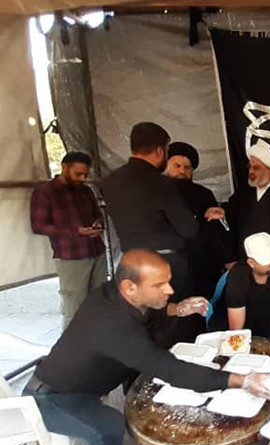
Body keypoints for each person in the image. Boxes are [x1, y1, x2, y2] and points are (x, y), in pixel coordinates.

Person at [23, 250, 270, 445]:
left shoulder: (115, 293)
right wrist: (242, 380)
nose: (170, 290)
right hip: (52, 399)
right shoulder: (112, 325)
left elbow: (149, 311)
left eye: (168, 281)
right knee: (106, 427)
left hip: (83, 387)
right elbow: (171, 370)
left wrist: (178, 308)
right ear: (129, 287)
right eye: (159, 285)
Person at [102, 122, 198, 300]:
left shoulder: (110, 181)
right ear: (160, 151)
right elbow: (188, 229)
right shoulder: (161, 183)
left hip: (131, 262)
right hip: (164, 264)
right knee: (173, 312)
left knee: (142, 311)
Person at [30, 151, 108, 328]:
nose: (82, 178)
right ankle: (70, 343)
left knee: (100, 300)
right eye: (78, 174)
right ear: (64, 168)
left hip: (97, 251)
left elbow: (97, 214)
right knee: (74, 305)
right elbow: (39, 226)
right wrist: (76, 231)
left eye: (85, 175)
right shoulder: (45, 192)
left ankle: (98, 339)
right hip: (70, 256)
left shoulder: (86, 190)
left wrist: (97, 224)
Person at [165, 141, 233, 299]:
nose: (182, 171)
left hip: (202, 264)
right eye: (177, 166)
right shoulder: (158, 193)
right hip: (170, 264)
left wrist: (227, 260)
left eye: (187, 167)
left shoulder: (204, 194)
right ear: (167, 166)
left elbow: (216, 231)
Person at [205, 140, 270, 261]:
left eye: (256, 168)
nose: (251, 172)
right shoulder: (244, 191)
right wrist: (223, 213)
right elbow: (232, 213)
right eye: (249, 167)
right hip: (246, 260)